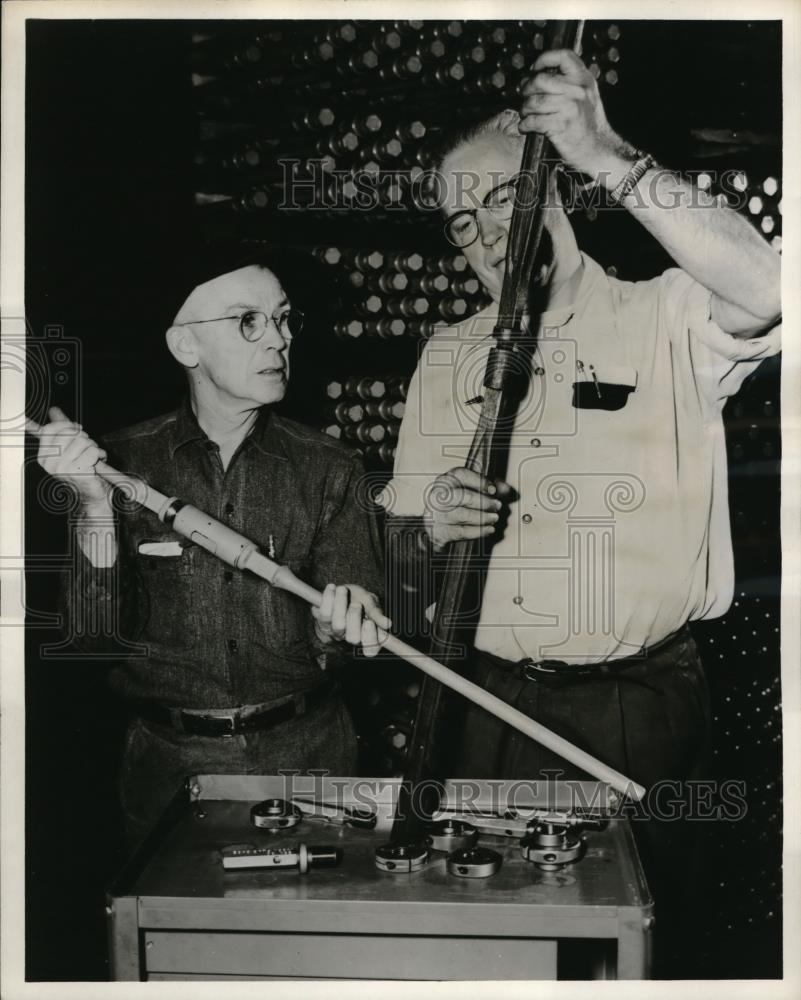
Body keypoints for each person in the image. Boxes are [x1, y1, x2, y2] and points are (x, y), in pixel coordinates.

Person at [381, 50, 780, 974]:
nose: (483, 234)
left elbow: (768, 289)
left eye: (498, 199)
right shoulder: (445, 357)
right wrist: (429, 526)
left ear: (554, 187)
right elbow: (394, 557)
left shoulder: (665, 314)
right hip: (484, 704)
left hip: (633, 708)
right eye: (458, 221)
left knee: (640, 951)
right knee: (490, 951)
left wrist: (603, 148)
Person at [35, 251, 390, 848]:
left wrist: (339, 629)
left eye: (282, 319)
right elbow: (94, 642)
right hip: (170, 767)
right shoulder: (117, 466)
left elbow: (350, 637)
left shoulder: (331, 467)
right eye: (248, 321)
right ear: (185, 346)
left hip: (309, 756)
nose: (278, 340)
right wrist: (94, 506)